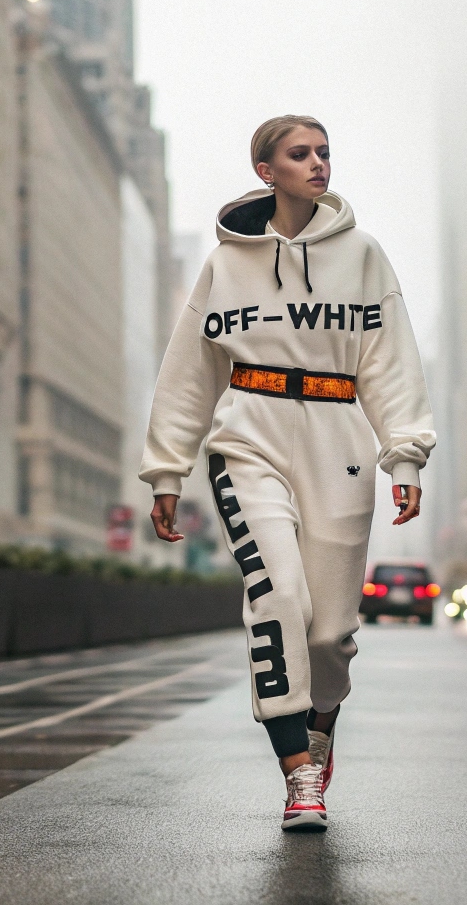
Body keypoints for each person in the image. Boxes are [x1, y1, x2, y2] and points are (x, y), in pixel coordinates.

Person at [141, 115, 435, 831]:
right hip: (249, 437)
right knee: (277, 602)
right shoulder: (225, 264)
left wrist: (405, 453)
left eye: (324, 152)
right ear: (266, 170)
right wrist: (166, 472)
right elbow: (188, 373)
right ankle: (298, 774)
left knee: (330, 635)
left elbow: (390, 363)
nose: (318, 164)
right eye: (299, 154)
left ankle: (320, 730)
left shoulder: (364, 256)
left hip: (338, 437)